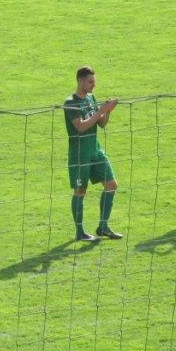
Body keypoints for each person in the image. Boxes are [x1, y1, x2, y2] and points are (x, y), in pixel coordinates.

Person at [65, 66, 122, 240]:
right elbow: (81, 126)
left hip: (95, 151)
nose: (93, 86)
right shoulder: (70, 102)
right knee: (80, 191)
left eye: (94, 82)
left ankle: (103, 227)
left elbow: (102, 124)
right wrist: (101, 111)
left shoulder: (91, 98)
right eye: (90, 82)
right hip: (80, 154)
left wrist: (108, 111)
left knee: (111, 185)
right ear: (80, 81)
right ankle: (80, 232)